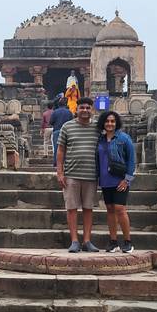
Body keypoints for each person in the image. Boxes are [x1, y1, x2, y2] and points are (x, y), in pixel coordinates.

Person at [57, 97, 100, 253]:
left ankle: (87, 240)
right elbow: (61, 150)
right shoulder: (67, 127)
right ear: (76, 109)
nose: (85, 110)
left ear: (92, 110)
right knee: (72, 208)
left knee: (88, 208)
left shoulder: (97, 127)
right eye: (82, 108)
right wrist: (60, 173)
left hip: (91, 174)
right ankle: (74, 240)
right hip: (71, 174)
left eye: (88, 108)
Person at [96, 111, 136, 253]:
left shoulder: (124, 138)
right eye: (107, 121)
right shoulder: (100, 139)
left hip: (120, 180)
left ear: (116, 123)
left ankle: (128, 241)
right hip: (106, 180)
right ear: (103, 123)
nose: (110, 124)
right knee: (110, 210)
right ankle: (113, 241)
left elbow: (131, 160)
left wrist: (127, 179)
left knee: (120, 209)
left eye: (112, 121)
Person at [49, 98, 73, 166]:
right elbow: (72, 121)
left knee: (56, 147)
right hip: (68, 131)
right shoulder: (69, 112)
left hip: (57, 130)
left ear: (58, 104)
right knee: (67, 148)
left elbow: (51, 122)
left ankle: (56, 162)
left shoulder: (55, 112)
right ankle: (66, 162)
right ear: (65, 104)